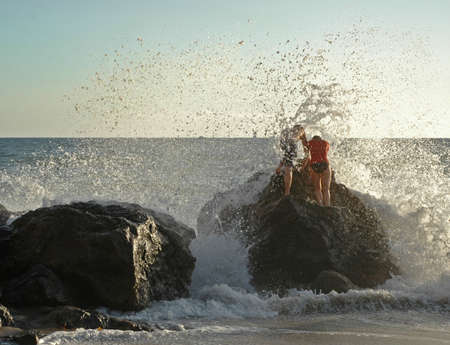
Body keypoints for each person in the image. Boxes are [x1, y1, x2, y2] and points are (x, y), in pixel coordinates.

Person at [275, 125, 309, 196]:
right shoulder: (301, 132)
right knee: (288, 166)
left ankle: (279, 168)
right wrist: (304, 164)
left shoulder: (290, 133)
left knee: (287, 160)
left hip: (285, 140)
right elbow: (306, 149)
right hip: (288, 141)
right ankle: (287, 192)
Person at [307, 135, 331, 206]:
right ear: (320, 139)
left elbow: (307, 156)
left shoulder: (310, 143)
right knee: (326, 189)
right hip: (325, 164)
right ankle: (327, 205)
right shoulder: (326, 143)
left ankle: (320, 204)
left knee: (317, 188)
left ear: (313, 139)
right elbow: (325, 152)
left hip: (314, 165)